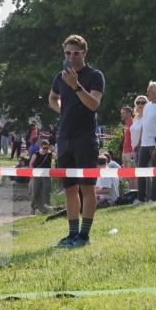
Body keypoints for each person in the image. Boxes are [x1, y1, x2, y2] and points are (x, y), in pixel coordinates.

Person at [48, 34, 105, 247]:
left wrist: (76, 86)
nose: (71, 57)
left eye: (76, 53)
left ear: (84, 53)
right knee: (70, 188)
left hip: (85, 138)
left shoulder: (94, 75)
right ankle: (72, 234)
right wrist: (62, 111)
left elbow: (94, 105)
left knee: (87, 187)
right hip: (64, 138)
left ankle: (84, 235)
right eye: (67, 53)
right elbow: (51, 98)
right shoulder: (60, 76)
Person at [136, 82, 156, 204]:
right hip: (145, 144)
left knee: (155, 172)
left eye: (149, 91)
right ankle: (141, 198)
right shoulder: (148, 106)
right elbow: (145, 124)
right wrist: (140, 141)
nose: (147, 93)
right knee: (141, 171)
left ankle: (153, 198)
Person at [28, 138, 54, 213]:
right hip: (37, 175)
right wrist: (31, 174)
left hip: (47, 175)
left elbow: (59, 157)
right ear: (40, 147)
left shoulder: (50, 154)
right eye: (44, 148)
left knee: (46, 191)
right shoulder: (36, 154)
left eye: (47, 148)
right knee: (35, 191)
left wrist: (54, 150)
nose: (45, 149)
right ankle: (33, 208)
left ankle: (46, 207)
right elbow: (31, 164)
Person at [127, 96, 147, 191]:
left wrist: (139, 144)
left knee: (143, 172)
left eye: (143, 103)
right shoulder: (136, 118)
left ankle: (145, 193)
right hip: (134, 149)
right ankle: (140, 193)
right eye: (138, 102)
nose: (140, 104)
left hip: (143, 148)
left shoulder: (147, 117)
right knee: (138, 173)